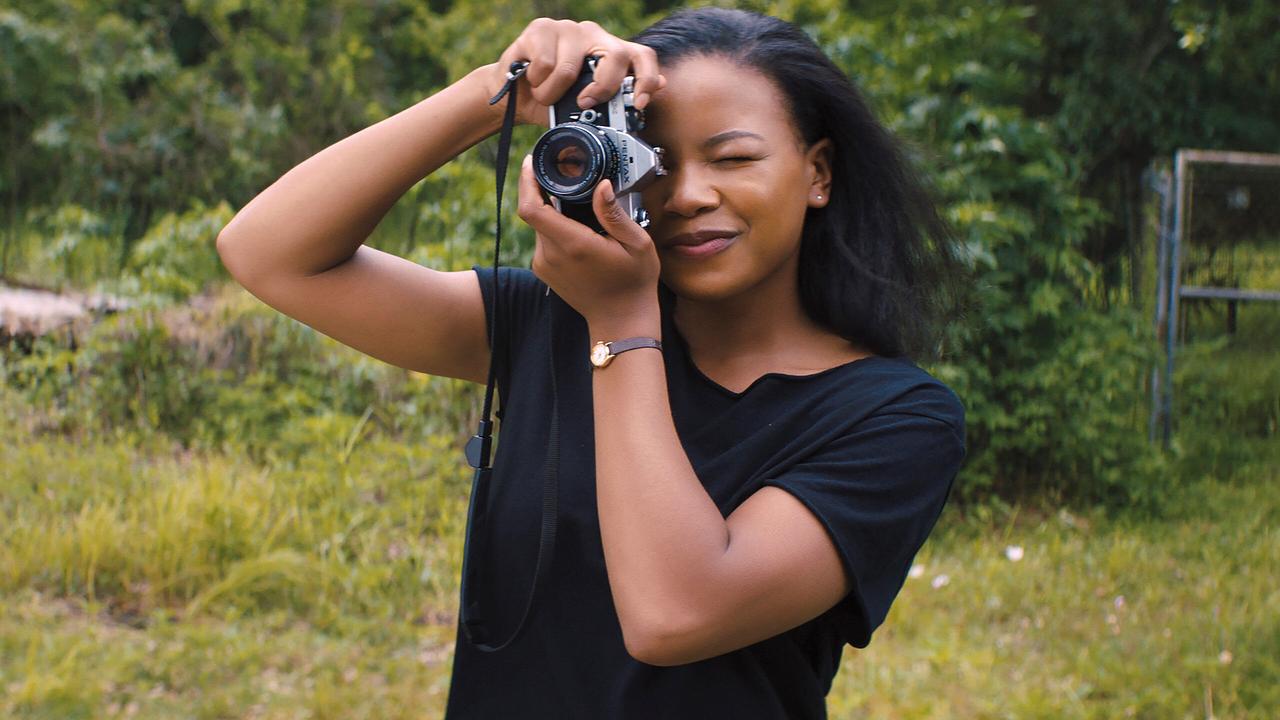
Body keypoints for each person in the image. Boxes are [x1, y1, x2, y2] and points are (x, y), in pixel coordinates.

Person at [217, 7, 964, 718]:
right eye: (652, 162)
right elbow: (270, 254)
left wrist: (622, 324)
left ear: (818, 172)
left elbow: (673, 614)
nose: (688, 195)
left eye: (733, 158)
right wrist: (500, 92)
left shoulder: (895, 418)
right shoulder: (551, 323)